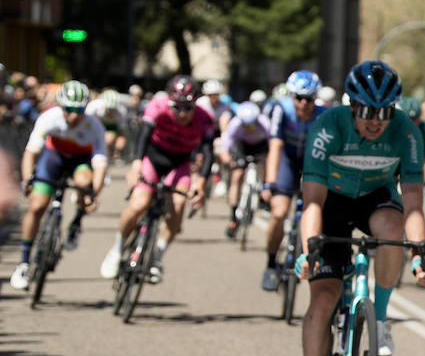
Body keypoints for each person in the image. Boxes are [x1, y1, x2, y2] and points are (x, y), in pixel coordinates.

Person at [292, 60, 425, 356]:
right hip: (332, 203)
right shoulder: (328, 127)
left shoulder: (406, 133)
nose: (375, 121)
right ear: (351, 106)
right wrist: (309, 250)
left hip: (375, 198)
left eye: (384, 112)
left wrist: (420, 251)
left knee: (392, 230)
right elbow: (314, 204)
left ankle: (381, 319)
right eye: (367, 112)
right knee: (322, 302)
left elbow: (414, 206)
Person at [102, 75, 217, 285]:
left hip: (179, 162)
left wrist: (200, 183)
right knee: (139, 204)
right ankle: (116, 249)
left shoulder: (204, 118)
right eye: (177, 106)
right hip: (153, 158)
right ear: (170, 101)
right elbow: (143, 135)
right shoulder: (158, 106)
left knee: (179, 204)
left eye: (188, 107)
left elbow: (208, 153)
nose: (182, 113)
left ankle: (157, 258)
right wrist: (136, 164)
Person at [10, 81, 106, 290]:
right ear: (61, 106)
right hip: (53, 158)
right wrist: (28, 179)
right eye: (69, 109)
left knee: (83, 183)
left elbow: (100, 163)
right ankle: (24, 263)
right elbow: (31, 152)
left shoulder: (94, 126)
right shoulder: (49, 117)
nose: (73, 115)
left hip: (80, 161)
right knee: (37, 205)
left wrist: (94, 193)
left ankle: (76, 223)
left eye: (78, 110)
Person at [261, 69, 325, 290]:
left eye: (309, 99)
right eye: (299, 98)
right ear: (291, 96)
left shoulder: (323, 115)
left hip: (311, 164)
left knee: (317, 210)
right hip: (287, 161)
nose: (303, 104)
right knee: (278, 214)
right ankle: (270, 265)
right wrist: (269, 182)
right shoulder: (283, 109)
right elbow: (275, 147)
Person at [220, 101, 271, 242]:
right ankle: (233, 217)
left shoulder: (265, 123)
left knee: (263, 166)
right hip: (242, 147)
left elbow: (273, 143)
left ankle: (263, 195)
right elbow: (225, 146)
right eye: (246, 125)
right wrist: (228, 162)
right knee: (237, 176)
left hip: (260, 147)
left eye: (252, 125)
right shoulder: (235, 124)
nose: (249, 128)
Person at [399, 97, 425, 200]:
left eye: (414, 119)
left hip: (409, 169)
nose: (411, 123)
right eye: (408, 119)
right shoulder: (390, 126)